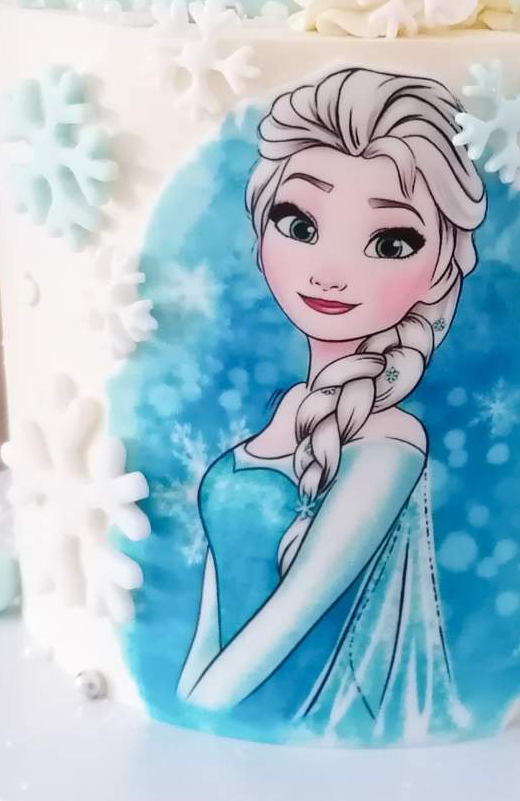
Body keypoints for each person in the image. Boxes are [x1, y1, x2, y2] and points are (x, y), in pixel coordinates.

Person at [177, 66, 488, 741]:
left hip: (294, 731)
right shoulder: (291, 406)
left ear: (440, 266)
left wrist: (192, 716)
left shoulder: (390, 445)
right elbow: (214, 611)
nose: (330, 272)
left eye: (390, 243)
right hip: (209, 719)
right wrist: (179, 707)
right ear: (261, 230)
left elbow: (291, 617)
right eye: (299, 223)